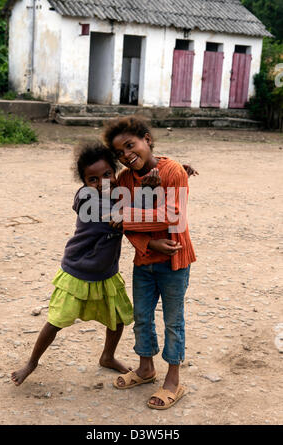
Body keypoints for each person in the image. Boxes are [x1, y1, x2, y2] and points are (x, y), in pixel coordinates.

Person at [11, 142, 136, 386]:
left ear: (115, 172)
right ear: (84, 183)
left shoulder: (120, 197)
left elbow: (139, 189)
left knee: (118, 320)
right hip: (78, 271)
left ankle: (107, 356)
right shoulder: (85, 198)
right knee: (56, 320)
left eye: (107, 175)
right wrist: (127, 215)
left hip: (107, 273)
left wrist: (170, 173)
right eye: (93, 179)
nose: (101, 182)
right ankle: (32, 363)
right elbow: (110, 212)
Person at [103, 116, 197, 410]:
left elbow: (171, 216)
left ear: (147, 139)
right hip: (144, 260)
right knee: (141, 316)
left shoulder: (172, 171)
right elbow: (118, 223)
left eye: (130, 145)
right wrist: (148, 242)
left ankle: (173, 380)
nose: (127, 155)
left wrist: (126, 219)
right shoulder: (125, 181)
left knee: (173, 321)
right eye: (120, 153)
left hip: (174, 262)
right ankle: (146, 368)